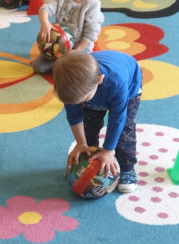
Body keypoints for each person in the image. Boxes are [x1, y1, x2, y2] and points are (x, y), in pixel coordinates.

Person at [52, 50, 143, 193]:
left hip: (129, 86)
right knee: (88, 126)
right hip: (92, 88)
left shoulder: (116, 84)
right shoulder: (69, 88)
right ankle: (88, 159)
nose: (80, 103)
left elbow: (117, 120)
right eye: (78, 102)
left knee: (125, 130)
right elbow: (74, 116)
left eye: (84, 99)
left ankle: (127, 168)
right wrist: (81, 144)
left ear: (99, 80)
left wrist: (108, 150)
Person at [32, 0, 104, 74]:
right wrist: (45, 23)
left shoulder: (92, 3)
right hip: (58, 47)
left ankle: (63, 66)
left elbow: (91, 33)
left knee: (85, 71)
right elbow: (46, 8)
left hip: (80, 48)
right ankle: (63, 66)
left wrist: (77, 51)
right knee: (38, 67)